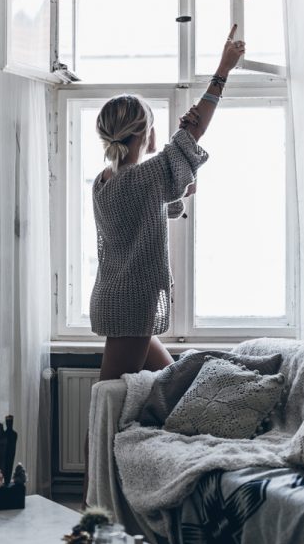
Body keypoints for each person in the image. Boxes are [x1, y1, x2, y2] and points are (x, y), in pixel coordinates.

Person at [91, 25, 245, 381]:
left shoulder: (104, 183)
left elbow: (157, 205)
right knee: (107, 404)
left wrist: (180, 169)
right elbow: (195, 133)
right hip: (131, 305)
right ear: (145, 134)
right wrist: (224, 68)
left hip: (120, 301)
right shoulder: (142, 178)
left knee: (174, 386)